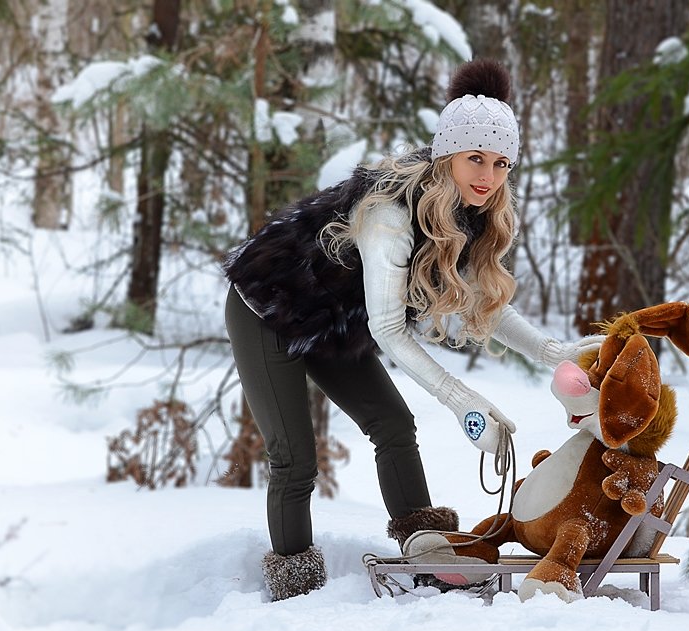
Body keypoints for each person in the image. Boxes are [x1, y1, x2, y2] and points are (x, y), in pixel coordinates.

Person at [223, 60, 603, 601]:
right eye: (476, 159)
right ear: (447, 155)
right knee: (295, 457)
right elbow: (389, 326)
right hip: (267, 308)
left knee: (393, 423)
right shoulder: (391, 215)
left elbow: (484, 301)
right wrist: (463, 400)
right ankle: (296, 585)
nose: (488, 176)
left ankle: (424, 544)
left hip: (335, 321)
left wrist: (553, 350)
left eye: (500, 163)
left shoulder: (465, 212)